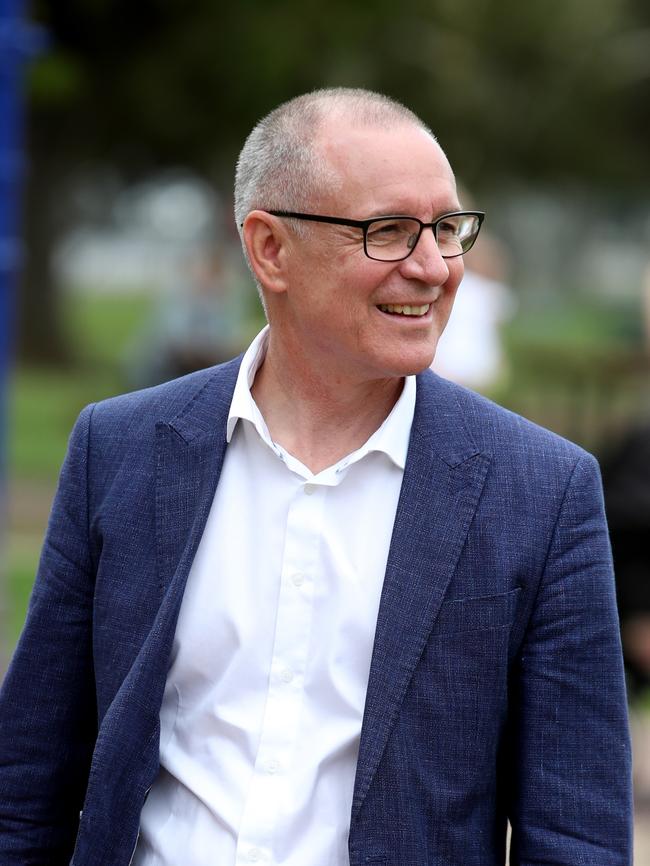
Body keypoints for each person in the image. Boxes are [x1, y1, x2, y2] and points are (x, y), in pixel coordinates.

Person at [0, 88, 632, 866]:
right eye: (390, 231)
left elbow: (575, 836)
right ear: (270, 249)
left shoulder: (542, 492)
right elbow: (26, 786)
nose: (433, 267)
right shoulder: (119, 449)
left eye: (446, 228)